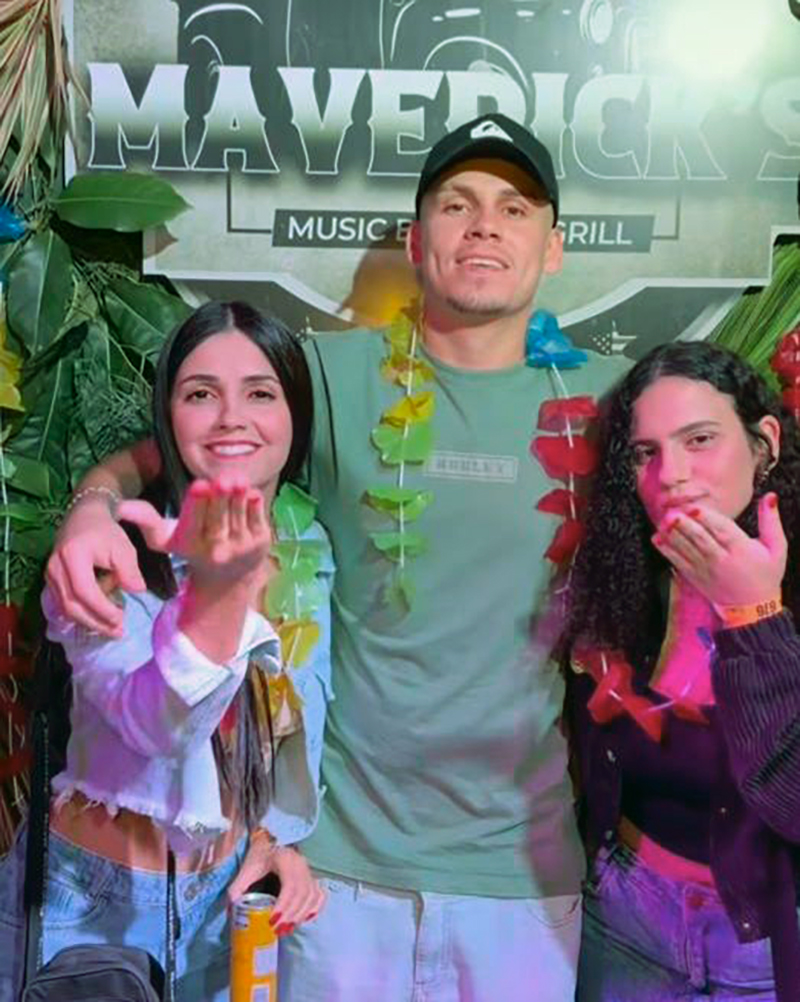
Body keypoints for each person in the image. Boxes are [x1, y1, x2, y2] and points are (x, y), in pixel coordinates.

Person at [44, 113, 629, 1000]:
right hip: (336, 871)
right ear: (415, 240)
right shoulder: (328, 373)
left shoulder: (606, 399)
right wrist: (91, 509)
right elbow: (192, 437)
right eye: (457, 205)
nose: (484, 226)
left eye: (514, 209)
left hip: (522, 873)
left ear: (553, 247)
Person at [0, 302, 332, 1002]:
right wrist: (216, 594)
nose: (232, 418)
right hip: (91, 906)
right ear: (168, 416)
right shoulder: (114, 551)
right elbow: (154, 724)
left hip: (225, 905)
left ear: (295, 415)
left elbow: (287, 726)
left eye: (261, 393)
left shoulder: (309, 545)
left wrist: (273, 842)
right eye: (200, 394)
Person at [559, 341, 800, 1000]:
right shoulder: (621, 576)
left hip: (767, 946)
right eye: (646, 452)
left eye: (699, 439)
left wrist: (753, 615)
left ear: (764, 443)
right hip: (626, 921)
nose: (671, 474)